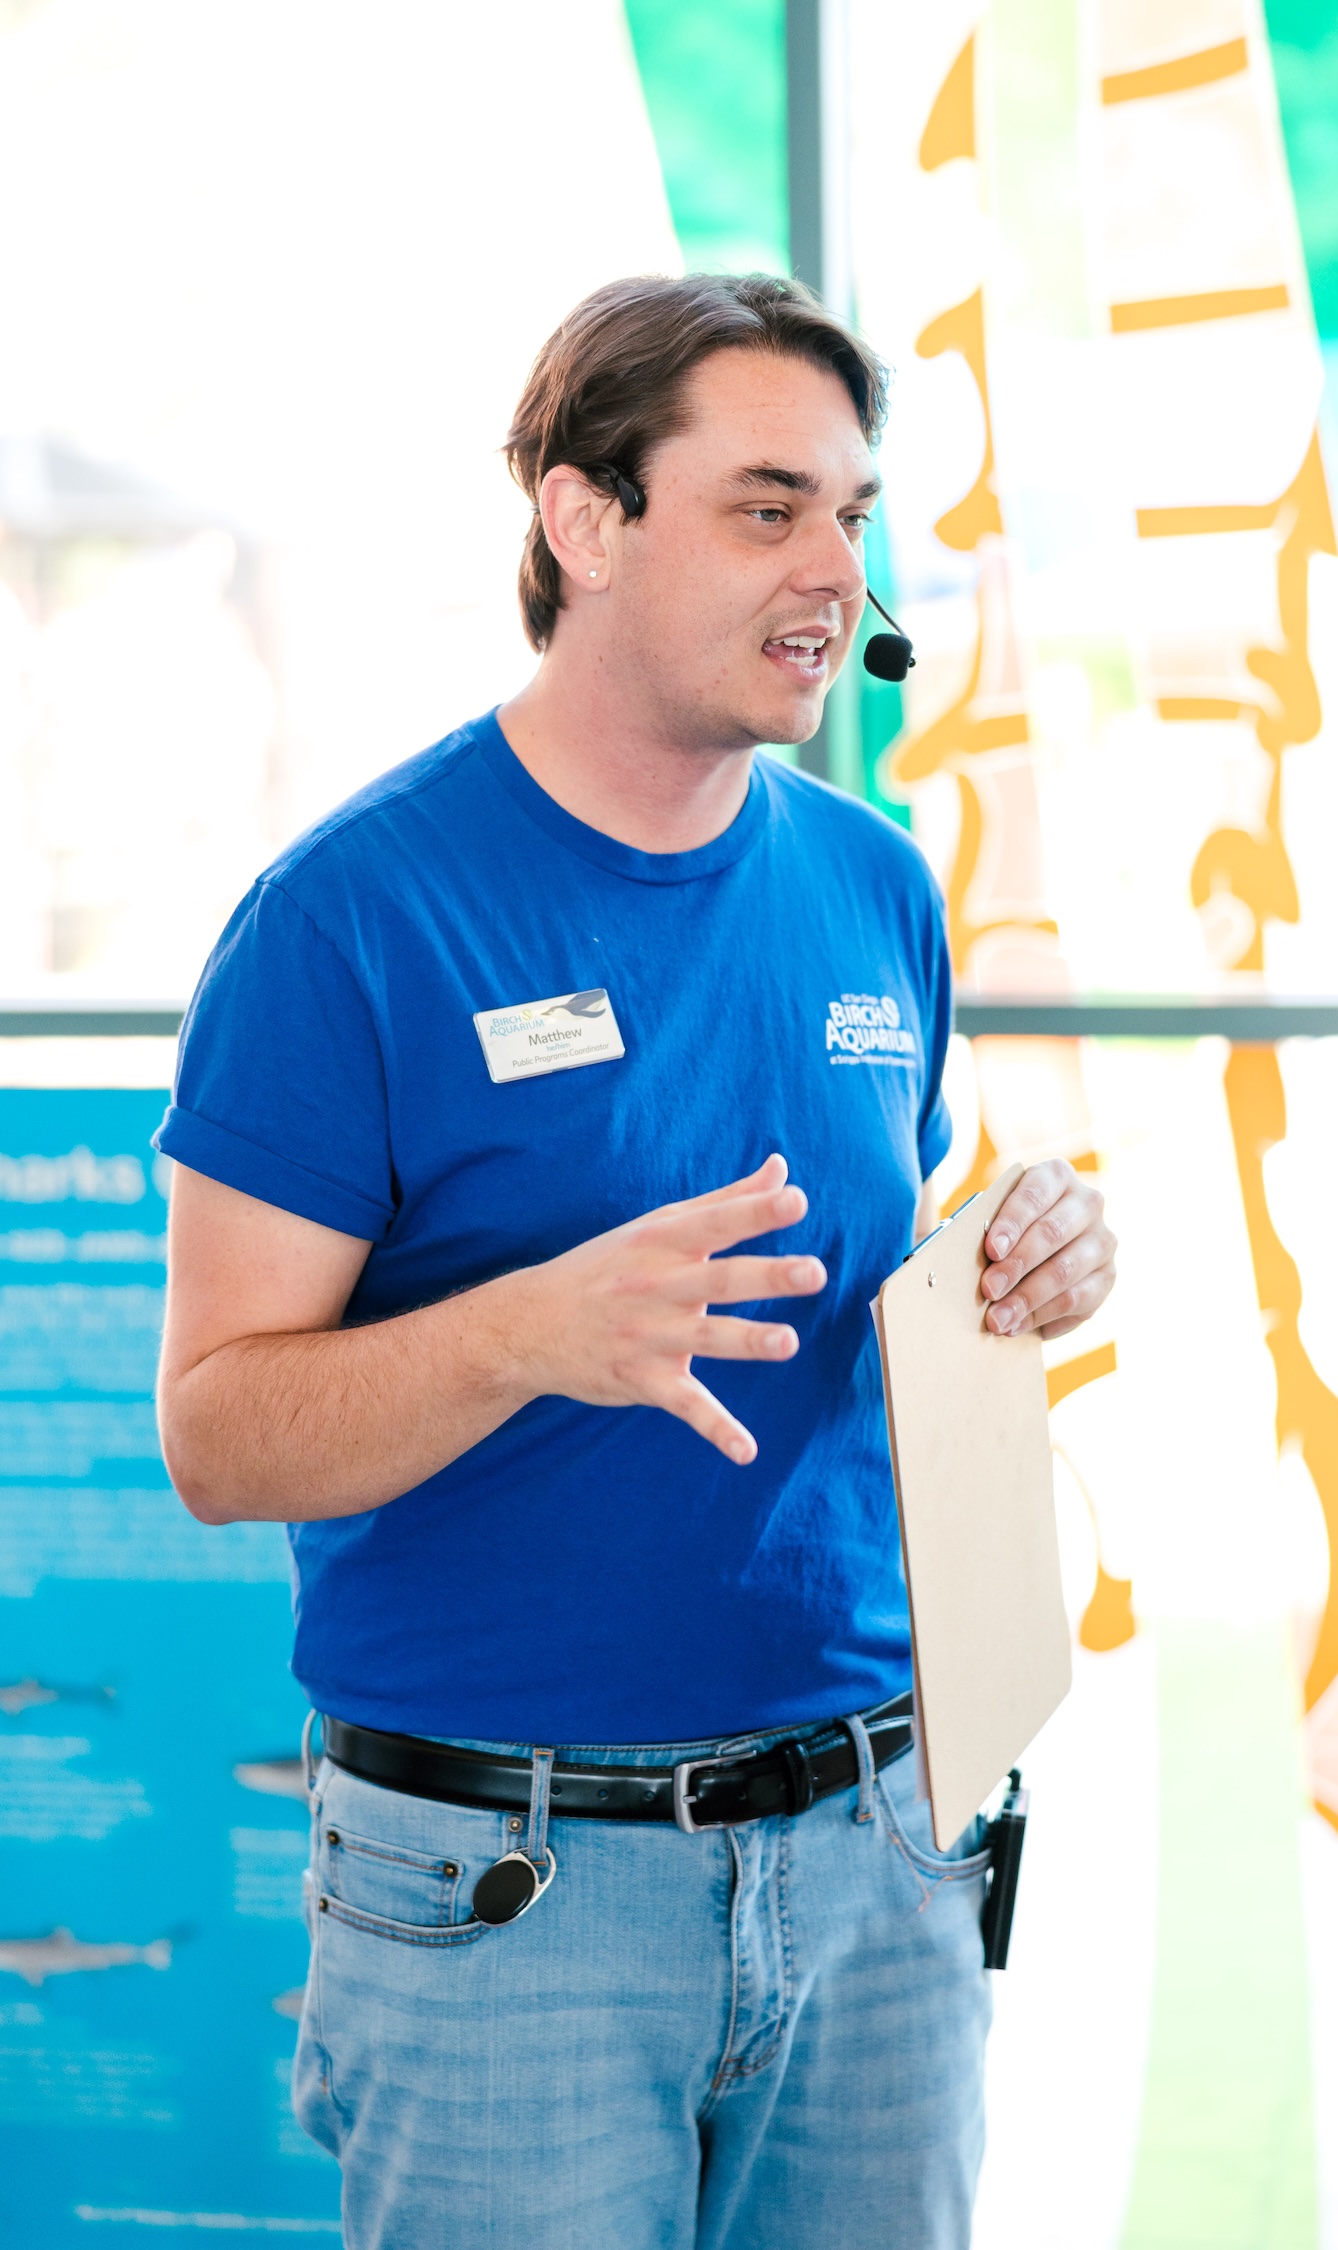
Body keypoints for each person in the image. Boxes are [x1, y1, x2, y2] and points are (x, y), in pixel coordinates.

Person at [154, 273, 1116, 2250]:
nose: (836, 570)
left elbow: (878, 1274)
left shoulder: (873, 886)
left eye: (854, 514)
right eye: (770, 508)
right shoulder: (348, 921)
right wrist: (527, 1332)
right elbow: (220, 1437)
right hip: (511, 1901)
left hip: (879, 1863)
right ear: (584, 522)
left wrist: (1021, 1263)